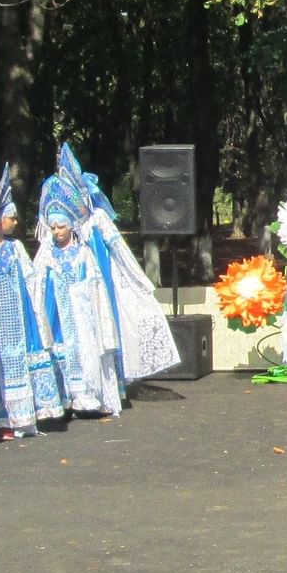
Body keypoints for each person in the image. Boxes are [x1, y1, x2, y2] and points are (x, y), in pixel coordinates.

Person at [56, 143, 180, 389]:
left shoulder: (97, 219)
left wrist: (140, 279)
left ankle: (112, 383)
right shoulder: (63, 227)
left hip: (102, 280)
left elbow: (119, 248)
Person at [0, 166, 66, 437]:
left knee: (17, 364)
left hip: (17, 320)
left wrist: (36, 314)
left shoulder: (16, 248)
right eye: (11, 218)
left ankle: (21, 417)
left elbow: (30, 280)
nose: (15, 222)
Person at [33, 175, 123, 416]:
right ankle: (63, 399)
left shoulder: (83, 253)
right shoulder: (46, 254)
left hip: (81, 313)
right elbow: (38, 283)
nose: (56, 232)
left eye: (60, 226)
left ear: (71, 226)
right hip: (57, 313)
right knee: (60, 350)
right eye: (52, 227)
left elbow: (95, 288)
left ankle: (87, 398)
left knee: (82, 352)